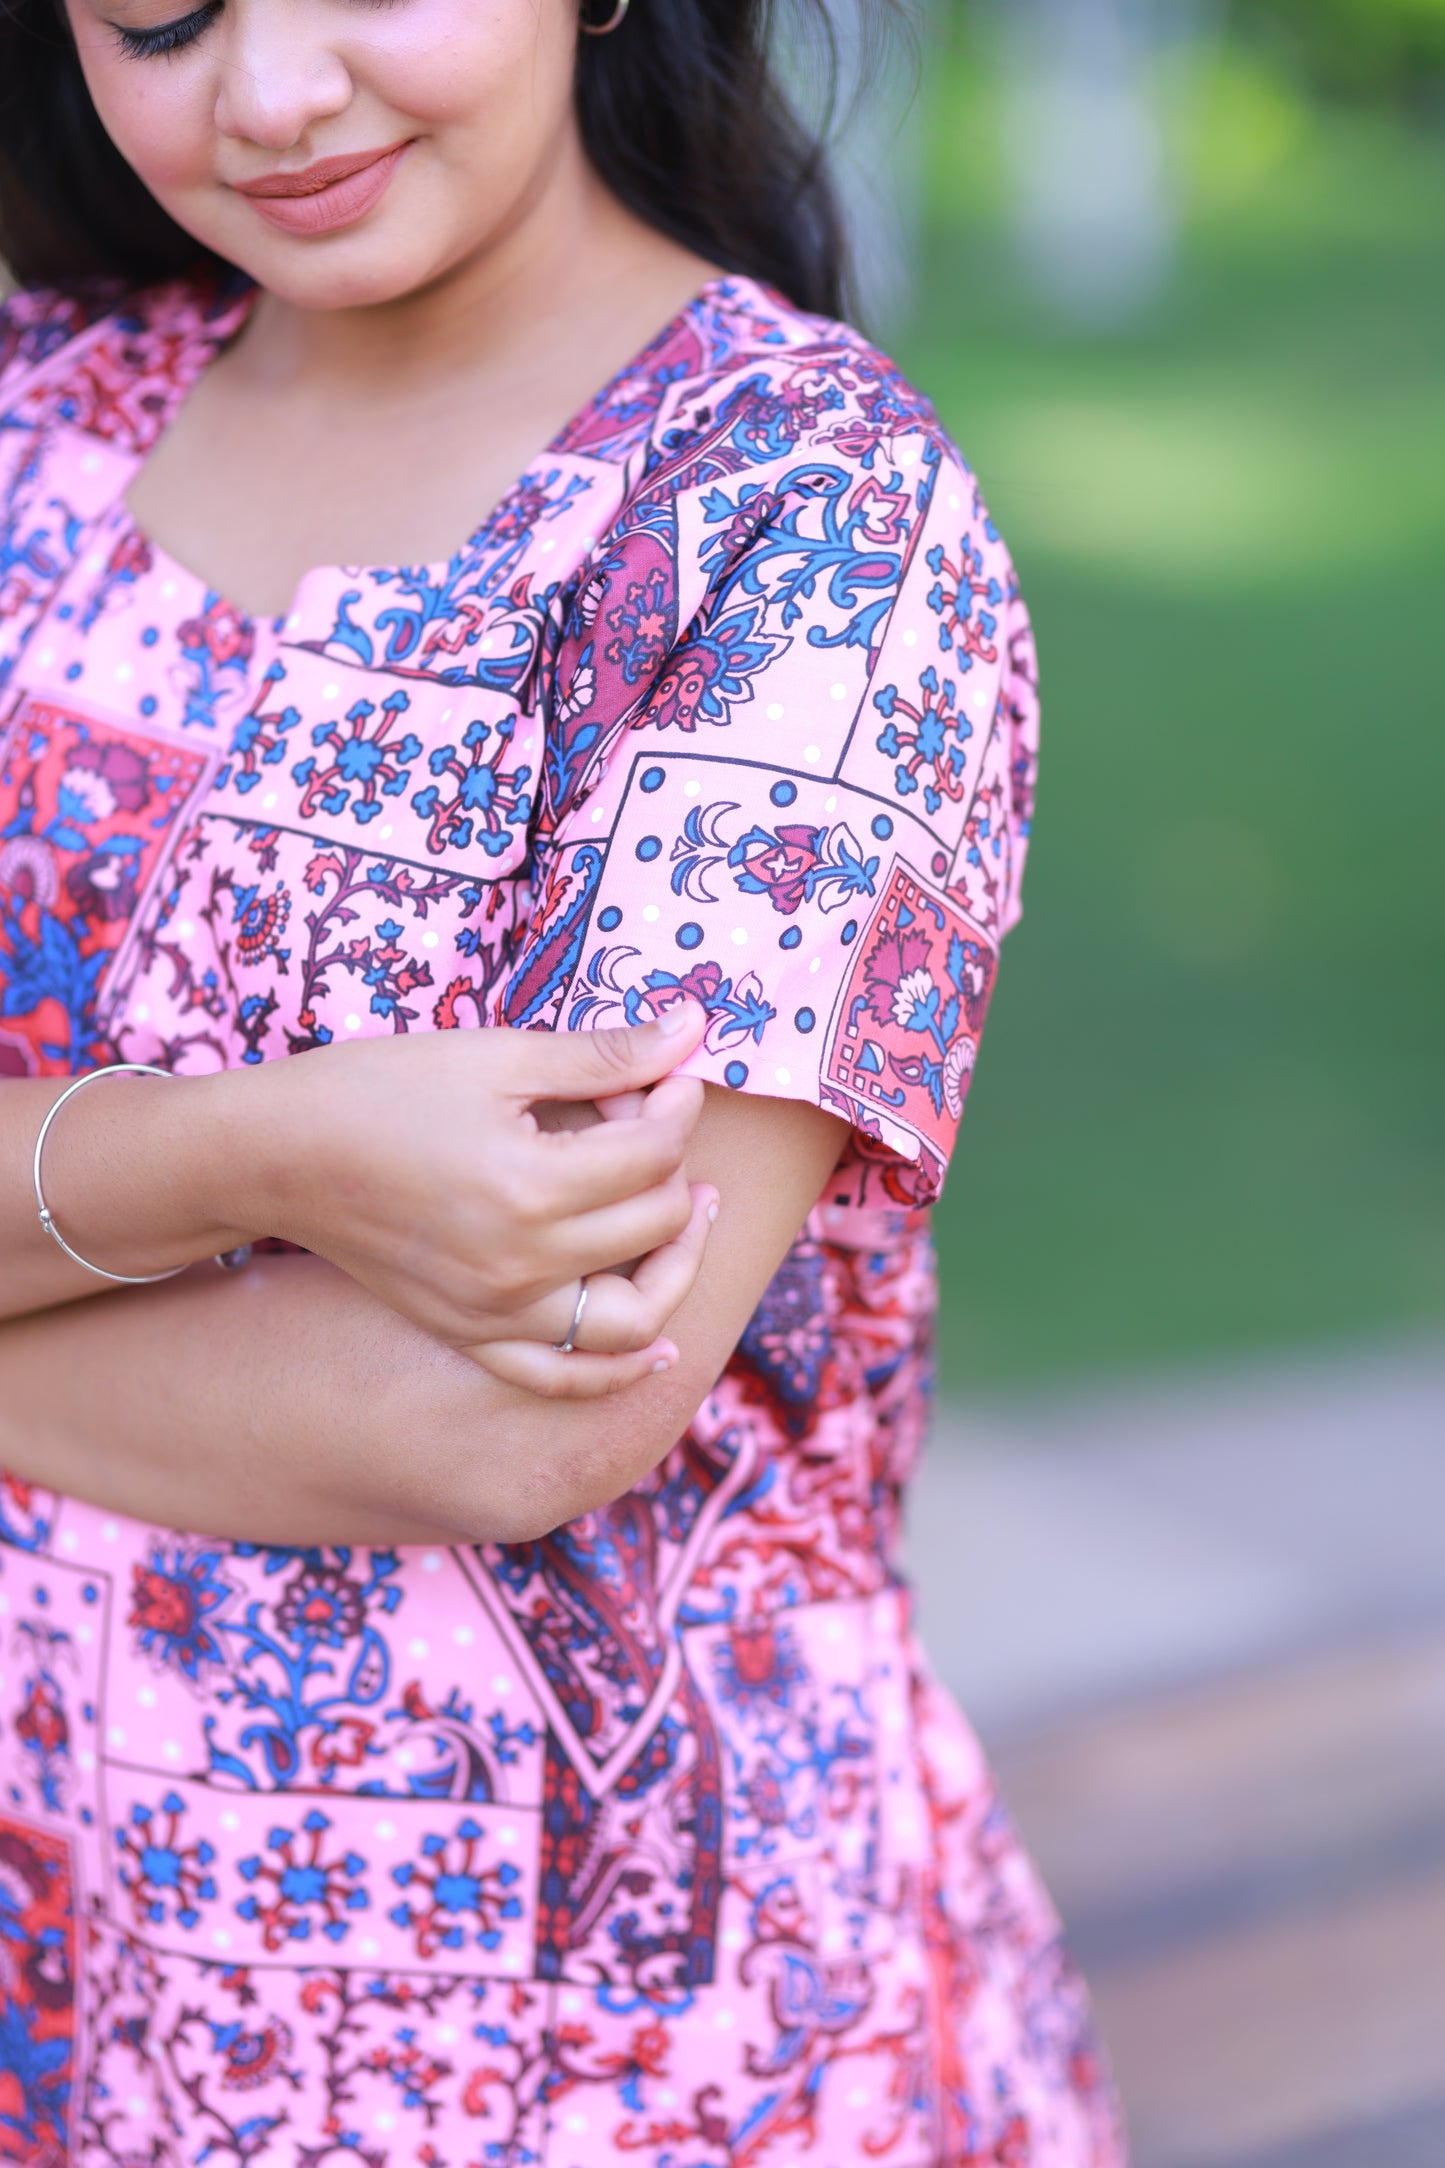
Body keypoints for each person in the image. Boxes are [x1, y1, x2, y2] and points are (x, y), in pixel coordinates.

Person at [0, 0, 1128, 2158]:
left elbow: (524, 1409)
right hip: (54, 1962)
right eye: (158, 12)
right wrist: (262, 1157)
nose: (270, 94)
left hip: (595, 2043)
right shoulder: (43, 418)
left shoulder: (804, 513)